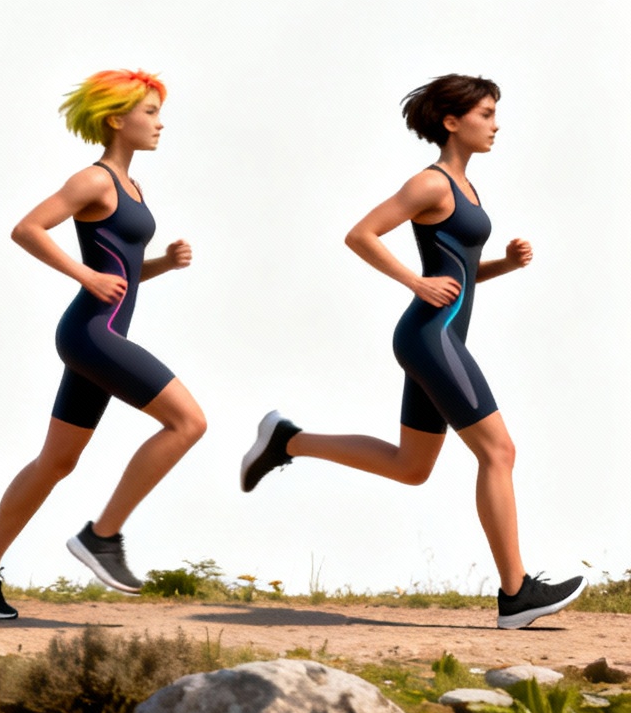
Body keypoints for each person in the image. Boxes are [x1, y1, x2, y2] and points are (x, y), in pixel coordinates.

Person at [239, 74, 584, 629]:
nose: (496, 125)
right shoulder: (432, 184)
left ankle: (287, 441)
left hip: (437, 336)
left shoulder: (466, 188)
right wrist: (414, 283)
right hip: (431, 337)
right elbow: (362, 234)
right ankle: (516, 592)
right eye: (487, 113)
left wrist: (504, 265)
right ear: (453, 121)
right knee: (499, 453)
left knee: (411, 466)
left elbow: (461, 277)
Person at [0, 70, 206, 620]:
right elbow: (29, 228)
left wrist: (160, 263)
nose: (160, 123)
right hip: (93, 334)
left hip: (100, 333)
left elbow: (123, 275)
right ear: (117, 119)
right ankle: (102, 535)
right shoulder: (95, 180)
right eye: (151, 112)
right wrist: (84, 277)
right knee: (188, 423)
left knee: (57, 460)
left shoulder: (132, 187)